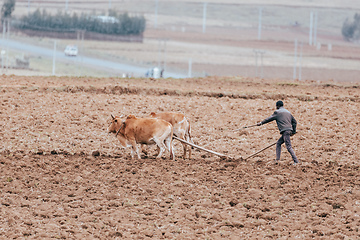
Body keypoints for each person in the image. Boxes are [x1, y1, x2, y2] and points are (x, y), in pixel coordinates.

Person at [257, 100, 299, 165]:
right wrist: (293, 131)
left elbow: (269, 119)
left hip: (285, 131)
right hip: (288, 130)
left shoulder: (277, 112)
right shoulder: (288, 112)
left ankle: (296, 161)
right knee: (278, 143)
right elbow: (294, 122)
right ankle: (277, 160)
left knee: (288, 146)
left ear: (277, 106)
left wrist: (261, 123)